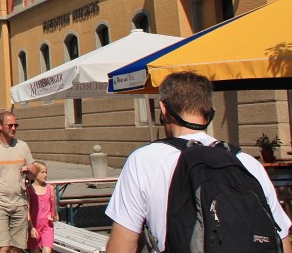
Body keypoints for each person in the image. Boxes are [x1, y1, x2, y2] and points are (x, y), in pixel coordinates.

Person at [105, 72, 292, 252]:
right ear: (209, 111)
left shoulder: (144, 160)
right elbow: (281, 239)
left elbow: (123, 245)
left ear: (163, 108)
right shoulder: (246, 161)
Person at [0, 110, 34, 253]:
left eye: (16, 125)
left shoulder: (22, 146)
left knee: (18, 248)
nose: (14, 128)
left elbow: (33, 171)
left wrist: (30, 171)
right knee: (3, 246)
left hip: (20, 202)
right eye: (10, 125)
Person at [26, 161, 56, 253]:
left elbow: (54, 206)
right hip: (34, 226)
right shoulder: (29, 190)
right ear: (35, 174)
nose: (45, 175)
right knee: (35, 250)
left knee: (47, 251)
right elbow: (27, 211)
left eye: (46, 172)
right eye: (42, 172)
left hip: (47, 226)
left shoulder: (50, 188)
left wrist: (54, 216)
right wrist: (31, 227)